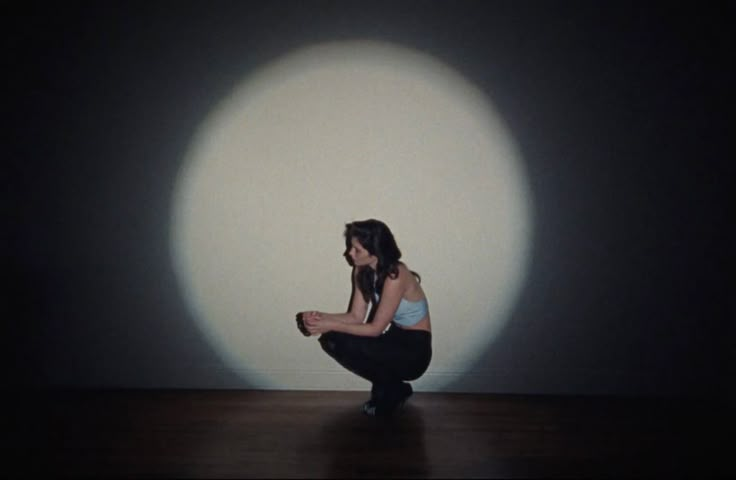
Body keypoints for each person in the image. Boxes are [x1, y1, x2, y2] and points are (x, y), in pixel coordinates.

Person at [299, 219, 432, 417]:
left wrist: (329, 324)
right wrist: (319, 317)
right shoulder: (362, 270)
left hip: (414, 350)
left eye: (356, 250)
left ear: (375, 251)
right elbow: (355, 316)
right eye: (351, 248)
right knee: (332, 339)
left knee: (336, 335)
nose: (349, 253)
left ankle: (391, 390)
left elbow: (375, 329)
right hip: (393, 339)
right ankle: (394, 389)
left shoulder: (396, 275)